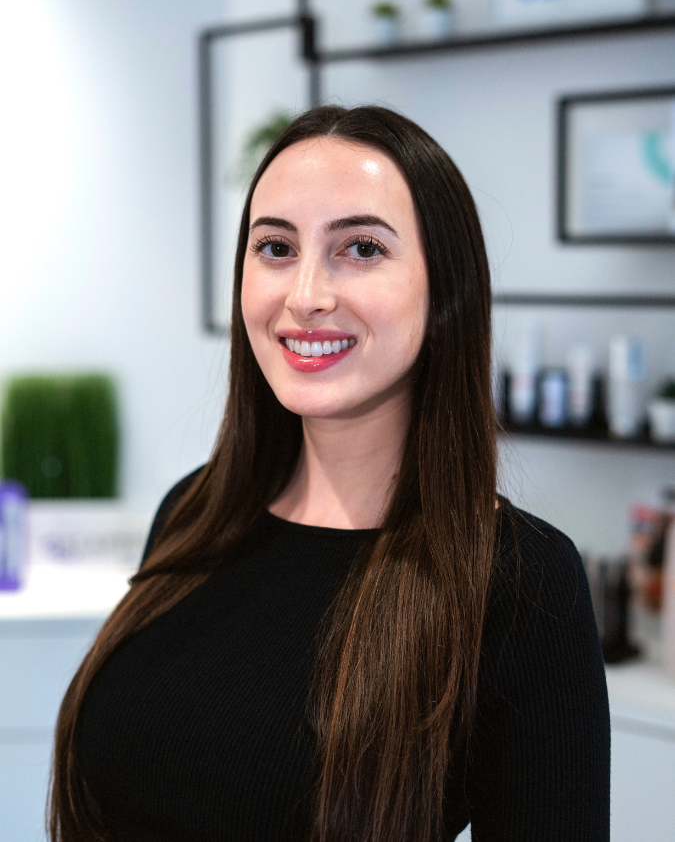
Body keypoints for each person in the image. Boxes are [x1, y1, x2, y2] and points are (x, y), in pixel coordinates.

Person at [50, 105, 610, 842]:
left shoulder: (520, 584)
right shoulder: (191, 510)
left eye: (361, 249)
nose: (306, 293)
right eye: (275, 247)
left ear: (443, 290)